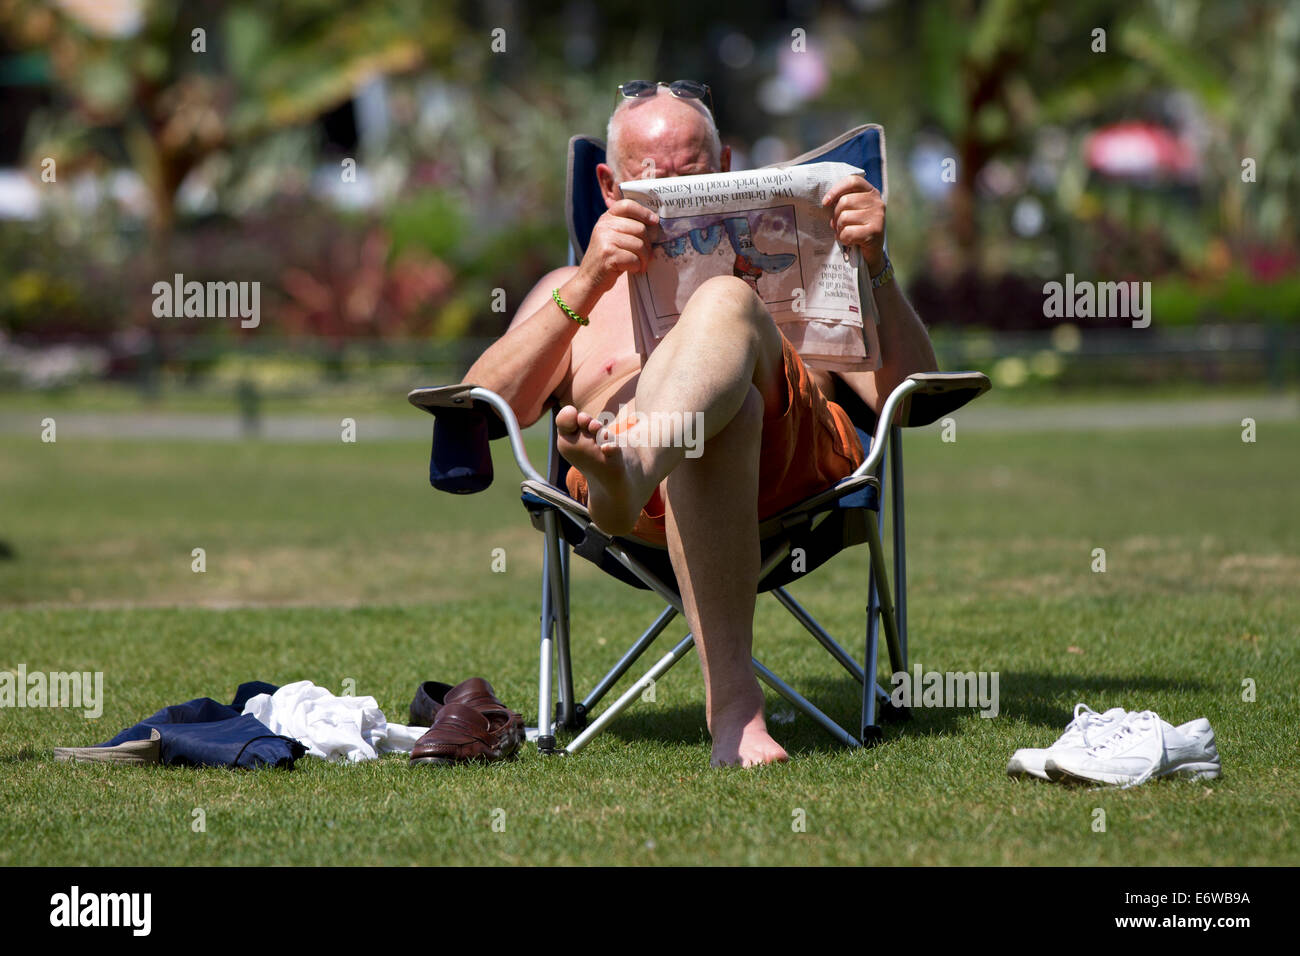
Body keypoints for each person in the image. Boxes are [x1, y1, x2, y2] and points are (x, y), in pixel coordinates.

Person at [463, 82, 938, 766]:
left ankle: (631, 464)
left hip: (790, 475)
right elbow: (478, 404)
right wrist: (592, 279)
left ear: (728, 165)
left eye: (694, 176)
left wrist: (877, 264)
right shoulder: (570, 287)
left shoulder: (811, 263)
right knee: (723, 414)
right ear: (608, 183)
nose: (675, 192)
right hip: (642, 507)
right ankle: (736, 718)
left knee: (722, 298)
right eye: (652, 180)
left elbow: (916, 397)